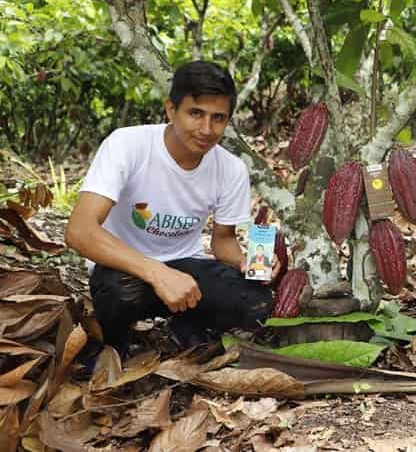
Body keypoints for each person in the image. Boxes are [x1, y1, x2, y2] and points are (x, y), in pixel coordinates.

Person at [65, 61, 279, 360]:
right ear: (170, 109)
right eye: (196, 113)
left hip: (187, 270)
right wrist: (158, 272)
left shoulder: (231, 169)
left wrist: (246, 262)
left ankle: (187, 325)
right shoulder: (127, 145)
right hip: (126, 271)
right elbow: (79, 231)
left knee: (257, 303)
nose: (206, 129)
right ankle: (114, 346)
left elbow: (223, 242)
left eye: (218, 118)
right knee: (120, 289)